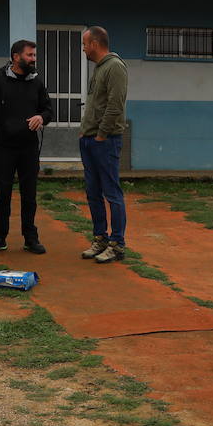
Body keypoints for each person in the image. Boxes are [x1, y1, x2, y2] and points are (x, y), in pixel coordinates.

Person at [0, 39, 53, 254]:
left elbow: (48, 110)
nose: (33, 59)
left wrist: (41, 117)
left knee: (29, 195)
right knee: (4, 195)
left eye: (34, 55)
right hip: (4, 148)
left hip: (29, 148)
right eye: (30, 55)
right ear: (16, 57)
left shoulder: (37, 82)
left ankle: (31, 238)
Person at [78, 26, 129, 264]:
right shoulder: (99, 68)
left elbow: (115, 105)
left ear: (95, 44)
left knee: (111, 193)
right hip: (89, 140)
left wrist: (101, 135)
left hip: (105, 141)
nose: (84, 48)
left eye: (85, 44)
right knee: (93, 193)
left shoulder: (115, 67)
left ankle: (117, 244)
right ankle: (100, 238)